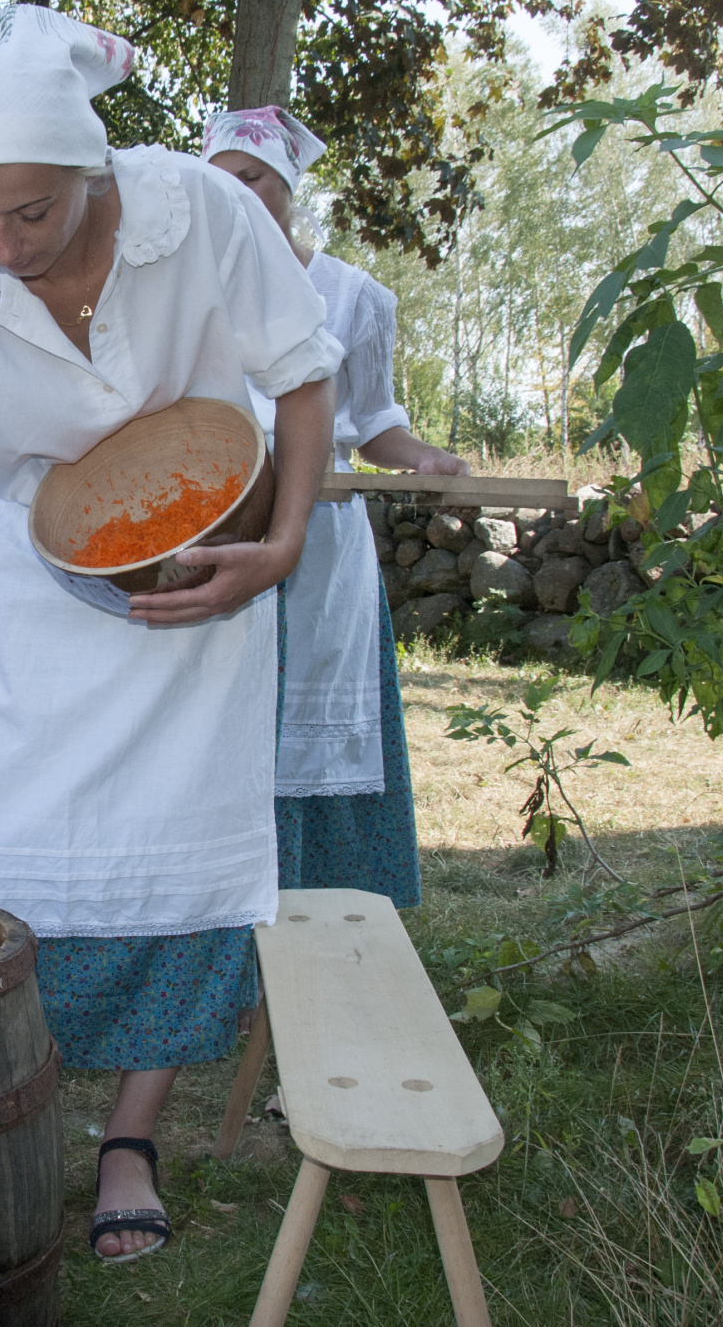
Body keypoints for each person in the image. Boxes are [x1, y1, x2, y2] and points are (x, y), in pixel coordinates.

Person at [0, 8, 343, 1263]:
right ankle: (14, 1113)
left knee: (185, 870)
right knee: (16, 867)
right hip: (40, 600)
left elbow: (303, 372)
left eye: (29, 215)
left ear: (90, 173)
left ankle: (128, 1138)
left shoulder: (201, 215)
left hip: (205, 574)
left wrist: (278, 547)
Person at [203, 107, 467, 907]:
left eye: (251, 179)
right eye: (220, 181)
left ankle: (336, 911)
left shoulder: (354, 295)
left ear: (287, 185)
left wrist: (418, 455)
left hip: (322, 539)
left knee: (312, 710)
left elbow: (375, 419)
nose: (238, 196)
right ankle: (227, 913)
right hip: (218, 520)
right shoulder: (193, 289)